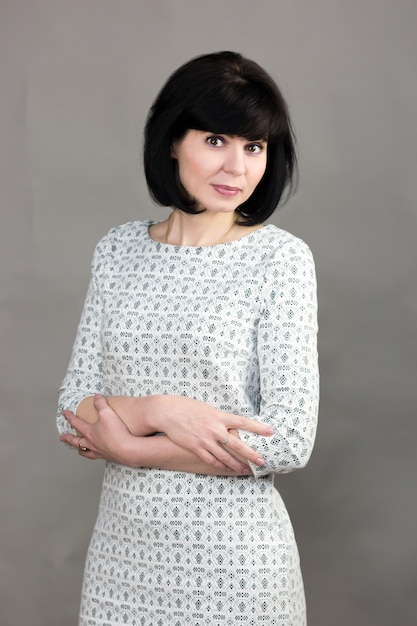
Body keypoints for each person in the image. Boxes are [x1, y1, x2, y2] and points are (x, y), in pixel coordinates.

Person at [57, 50, 319, 626]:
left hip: (238, 567)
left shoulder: (280, 261)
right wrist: (162, 408)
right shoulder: (117, 251)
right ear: (173, 140)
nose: (237, 167)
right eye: (217, 140)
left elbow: (289, 440)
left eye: (254, 147)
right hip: (122, 564)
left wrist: (132, 447)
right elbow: (70, 409)